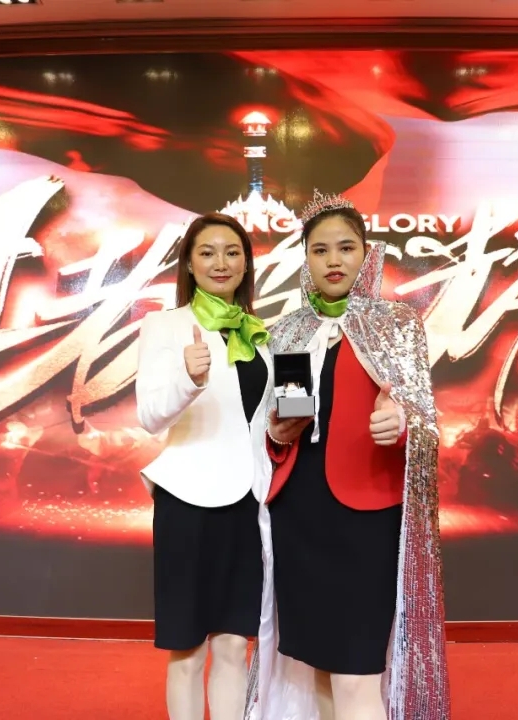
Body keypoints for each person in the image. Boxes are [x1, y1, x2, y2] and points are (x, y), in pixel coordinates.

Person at [245, 191, 451, 720]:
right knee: (316, 665)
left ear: (366, 253)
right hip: (299, 516)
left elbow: (424, 422)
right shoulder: (288, 331)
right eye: (320, 250)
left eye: (345, 247)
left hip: (366, 517)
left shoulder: (396, 324)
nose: (333, 260)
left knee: (357, 674)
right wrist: (277, 433)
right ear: (306, 259)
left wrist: (401, 424)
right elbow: (281, 426)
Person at [135, 212, 273, 720]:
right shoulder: (166, 325)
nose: (221, 262)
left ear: (246, 264)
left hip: (250, 504)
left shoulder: (259, 334)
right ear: (189, 264)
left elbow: (259, 422)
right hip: (188, 502)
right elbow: (150, 416)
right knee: (188, 652)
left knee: (235, 647)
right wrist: (188, 381)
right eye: (208, 252)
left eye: (233, 252)